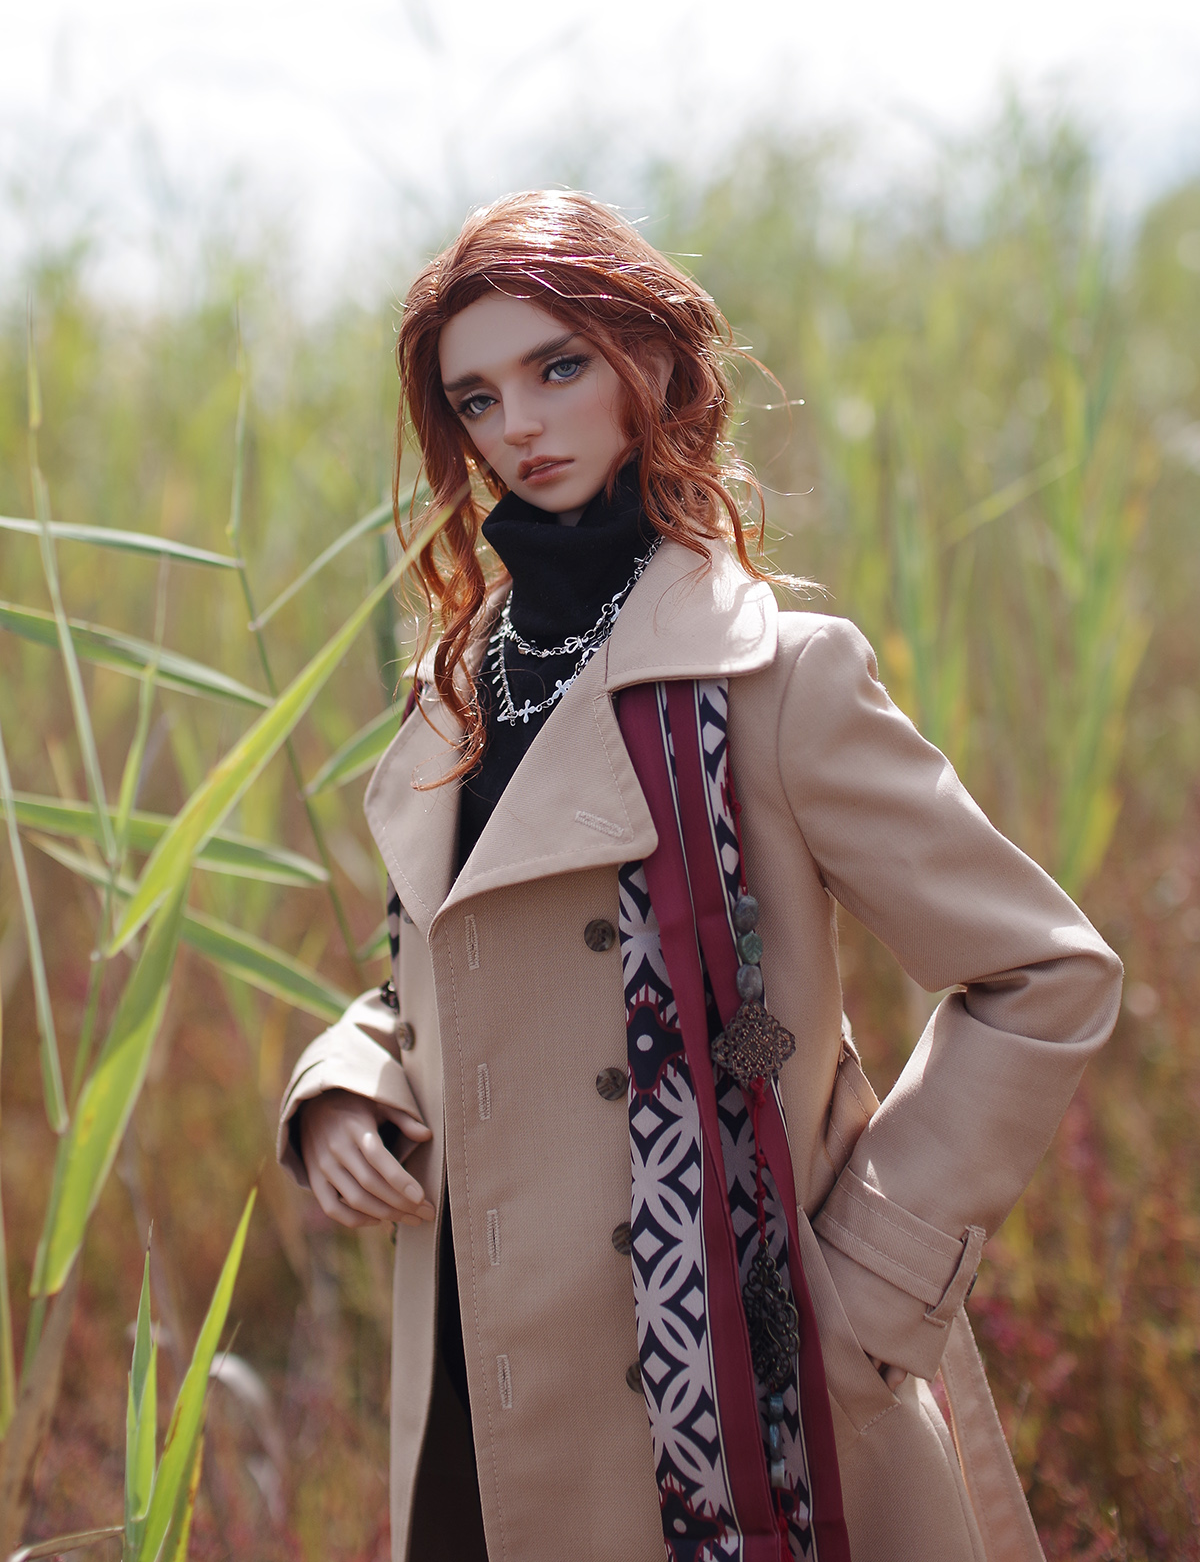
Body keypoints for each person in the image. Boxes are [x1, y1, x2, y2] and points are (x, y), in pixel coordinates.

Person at [277, 191, 1122, 1562]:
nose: (520, 424)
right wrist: (345, 1085)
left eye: (558, 367)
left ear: (653, 361)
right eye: (477, 398)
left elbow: (1045, 975)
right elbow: (433, 978)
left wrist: (871, 1282)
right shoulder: (456, 688)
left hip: (738, 1378)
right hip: (486, 1369)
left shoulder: (778, 678)